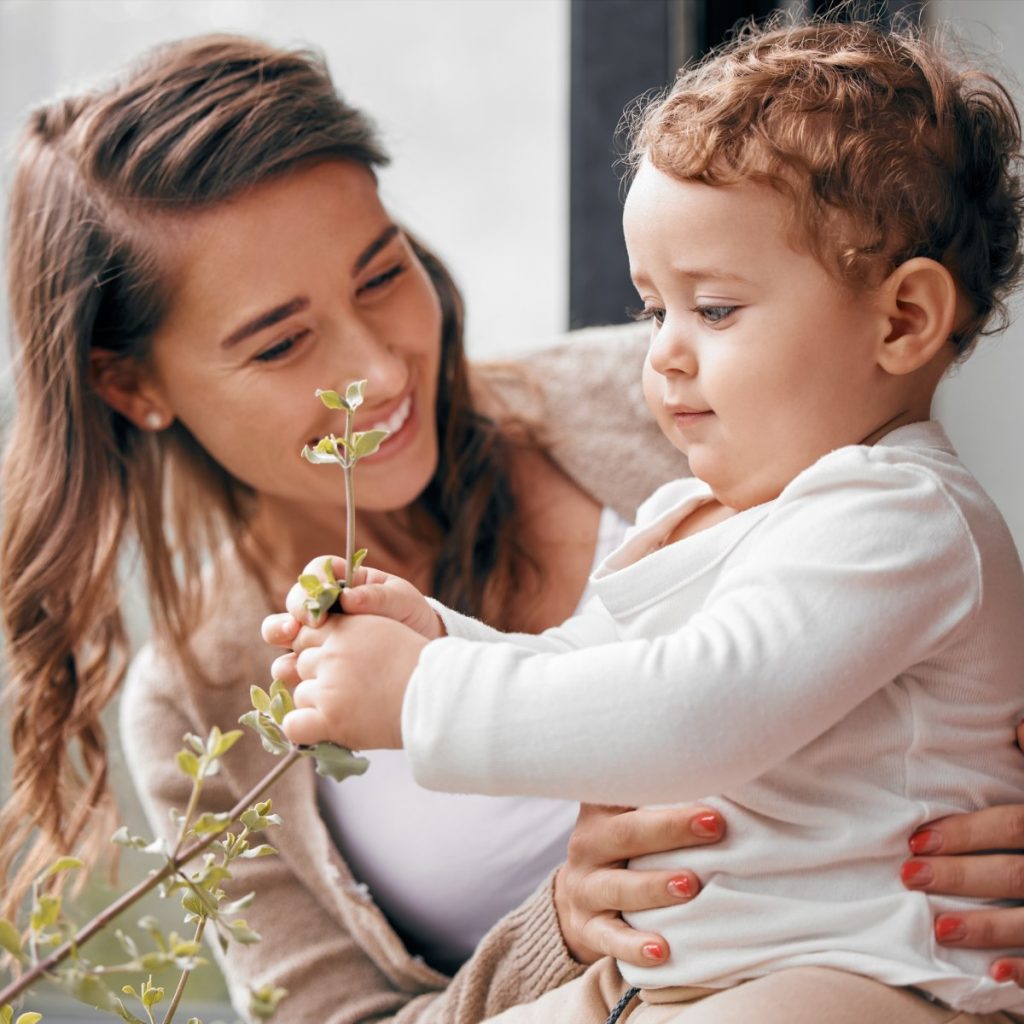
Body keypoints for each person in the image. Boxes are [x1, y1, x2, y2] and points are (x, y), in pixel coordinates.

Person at [0, 26, 1019, 1024]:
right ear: (132, 385)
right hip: (646, 983)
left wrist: (421, 691)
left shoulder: (746, 420)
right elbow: (578, 662)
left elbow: (722, 693)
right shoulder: (199, 714)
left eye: (381, 274)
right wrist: (552, 913)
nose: (379, 370)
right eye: (281, 343)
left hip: (860, 970)